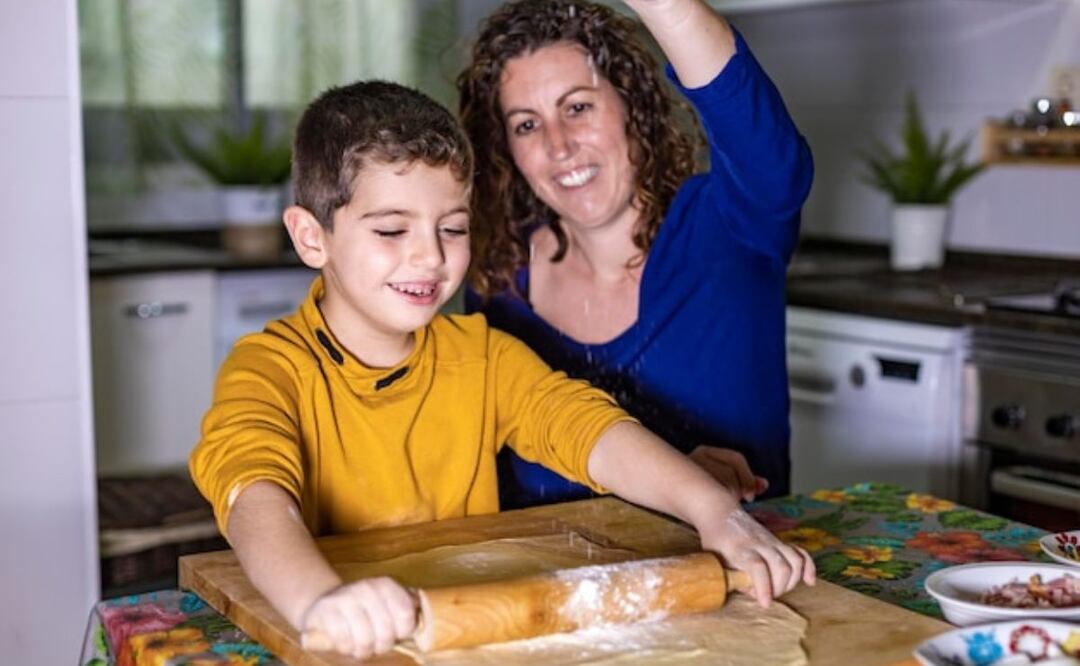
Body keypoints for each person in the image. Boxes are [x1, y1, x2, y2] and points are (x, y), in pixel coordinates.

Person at [190, 79, 814, 661]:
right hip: (343, 642)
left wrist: (713, 512)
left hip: (472, 638)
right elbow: (255, 496)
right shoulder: (269, 371)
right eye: (391, 228)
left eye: (452, 227)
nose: (430, 256)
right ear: (311, 237)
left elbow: (585, 429)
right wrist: (320, 601)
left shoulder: (481, 356)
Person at [459, 0, 813, 507]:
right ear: (506, 149)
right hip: (545, 580)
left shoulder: (727, 229)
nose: (559, 146)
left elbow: (773, 157)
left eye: (577, 107)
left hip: (731, 579)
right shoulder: (499, 276)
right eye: (527, 125)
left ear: (631, 105)